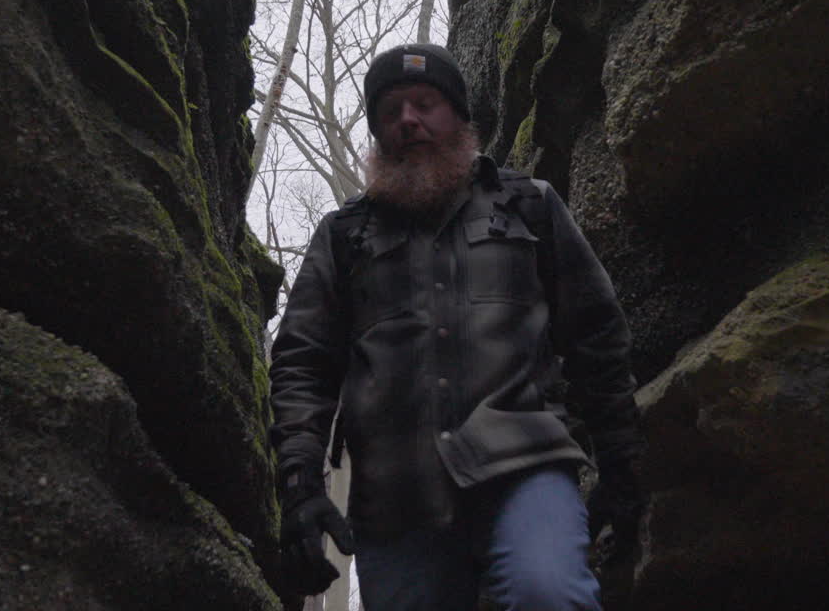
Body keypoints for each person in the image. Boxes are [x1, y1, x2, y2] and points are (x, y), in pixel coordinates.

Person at [269, 43, 642, 611]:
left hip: (523, 469)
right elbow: (302, 363)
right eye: (390, 111)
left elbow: (595, 334)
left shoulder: (529, 207)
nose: (408, 121)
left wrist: (621, 462)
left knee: (548, 595)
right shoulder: (344, 238)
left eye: (425, 104)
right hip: (395, 501)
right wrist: (299, 487)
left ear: (461, 118)